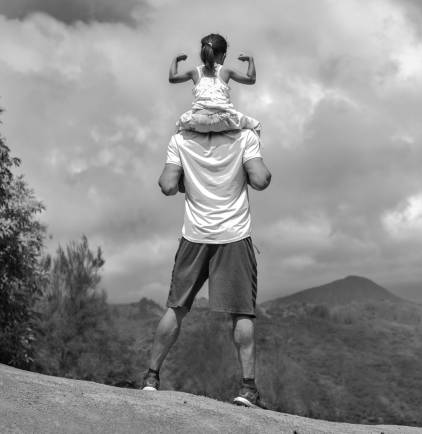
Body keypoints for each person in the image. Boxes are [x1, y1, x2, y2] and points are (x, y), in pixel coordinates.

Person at [142, 127, 271, 409]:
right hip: (234, 236)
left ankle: (151, 378)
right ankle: (248, 389)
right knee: (242, 313)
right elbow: (260, 180)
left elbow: (166, 185)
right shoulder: (244, 137)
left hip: (194, 235)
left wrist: (191, 181)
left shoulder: (180, 140)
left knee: (177, 306)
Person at [170, 33, 261, 135]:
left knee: (179, 128)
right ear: (223, 56)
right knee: (256, 126)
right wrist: (250, 60)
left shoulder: (194, 72)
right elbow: (251, 79)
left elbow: (173, 78)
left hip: (198, 120)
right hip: (223, 120)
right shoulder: (226, 71)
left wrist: (175, 60)